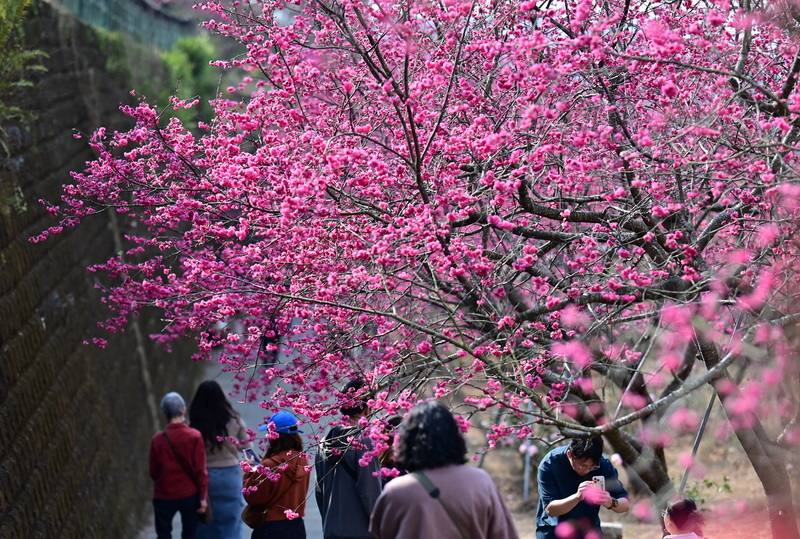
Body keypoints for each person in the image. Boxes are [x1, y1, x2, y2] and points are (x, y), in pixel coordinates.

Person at [370, 401, 519, 539]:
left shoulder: (397, 491)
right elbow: (504, 534)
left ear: (408, 442)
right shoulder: (481, 483)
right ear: (455, 437)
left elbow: (381, 533)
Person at [315, 379, 382, 539]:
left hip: (331, 530)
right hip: (360, 532)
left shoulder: (324, 442)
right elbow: (370, 492)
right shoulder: (364, 441)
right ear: (366, 407)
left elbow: (320, 492)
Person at [189, 380, 252, 539]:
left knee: (204, 524)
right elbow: (247, 449)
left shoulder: (194, 423)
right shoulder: (233, 419)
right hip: (230, 478)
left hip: (204, 479)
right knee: (231, 524)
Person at [535, 437, 630, 539]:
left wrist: (611, 502)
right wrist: (577, 497)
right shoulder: (550, 464)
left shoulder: (603, 465)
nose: (587, 470)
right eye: (583, 466)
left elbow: (625, 504)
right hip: (553, 531)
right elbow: (551, 510)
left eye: (592, 467)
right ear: (570, 455)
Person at [149, 392, 209, 539]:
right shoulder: (194, 436)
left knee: (163, 534)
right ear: (183, 410)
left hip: (164, 494)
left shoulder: (157, 439)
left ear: (165, 413)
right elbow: (200, 470)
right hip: (189, 494)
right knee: (190, 534)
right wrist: (203, 498)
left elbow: (153, 471)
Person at [243, 410, 311, 539]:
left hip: (270, 527)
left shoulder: (269, 465)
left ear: (274, 436)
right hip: (296, 526)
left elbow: (252, 497)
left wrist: (250, 472)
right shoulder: (303, 460)